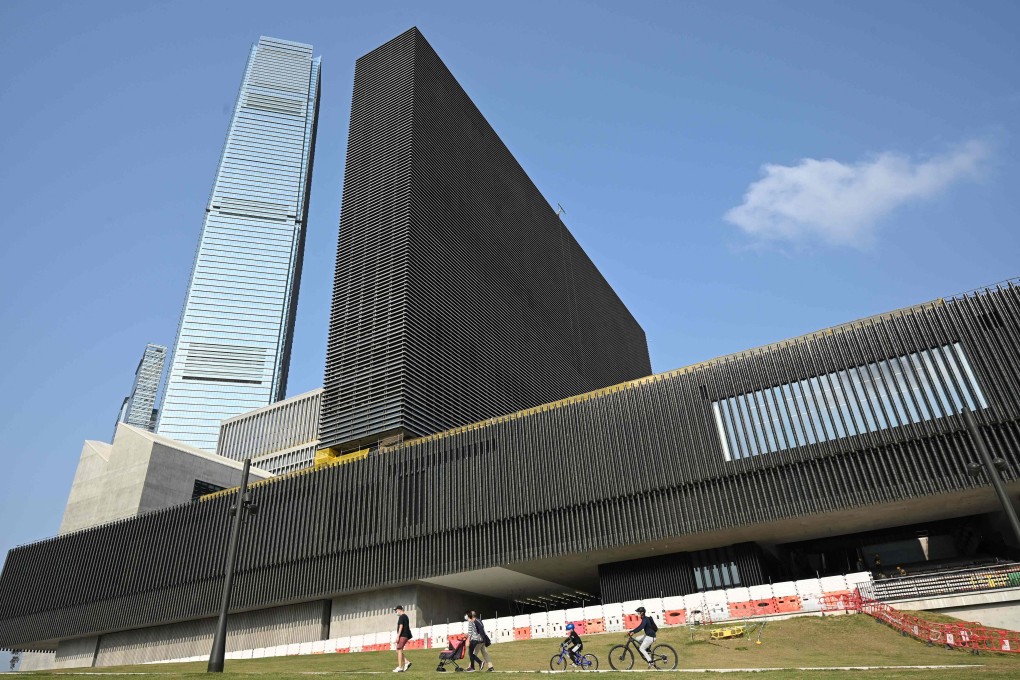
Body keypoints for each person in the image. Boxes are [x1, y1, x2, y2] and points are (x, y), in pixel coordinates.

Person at [393, 605, 413, 672]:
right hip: (405, 635)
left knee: (399, 649)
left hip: (403, 635)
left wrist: (398, 636)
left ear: (399, 610)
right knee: (398, 650)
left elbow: (401, 626)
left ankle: (400, 667)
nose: (396, 612)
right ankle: (407, 662)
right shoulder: (406, 616)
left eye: (396, 611)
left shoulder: (402, 617)